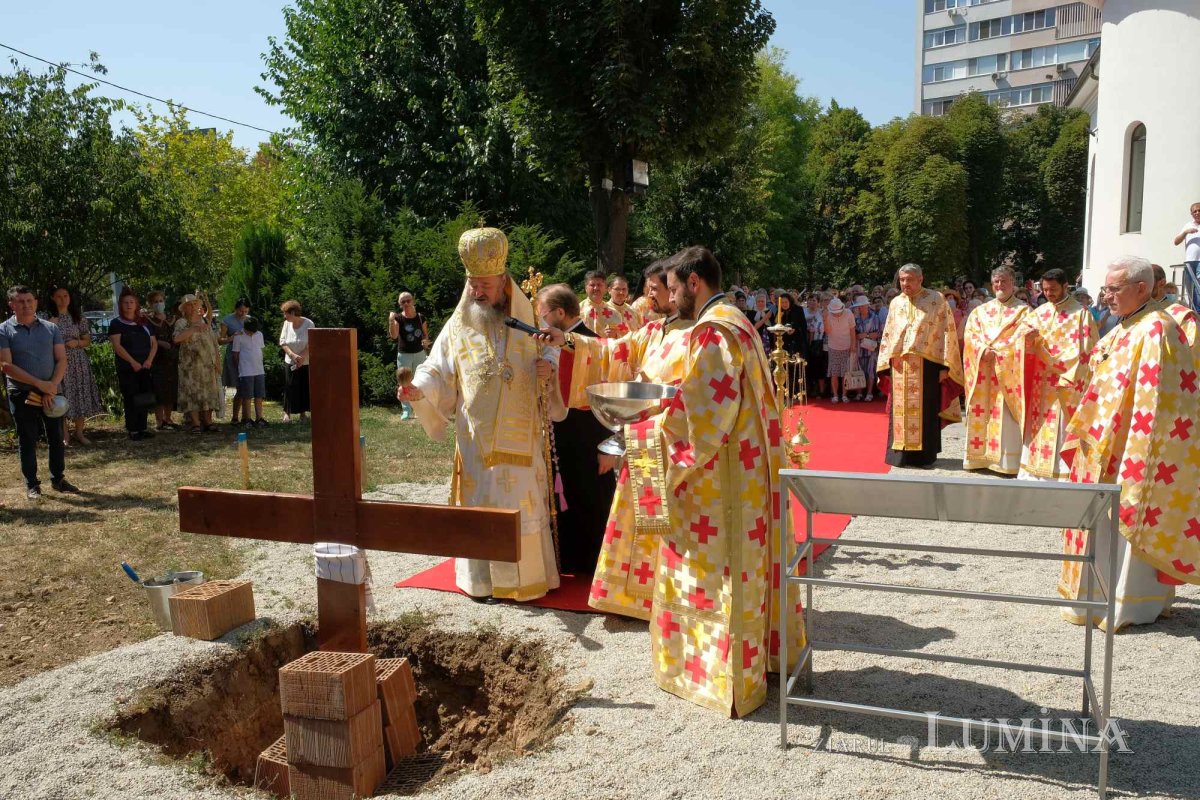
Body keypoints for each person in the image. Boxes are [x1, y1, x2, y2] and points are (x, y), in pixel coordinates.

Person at [541, 247, 805, 716]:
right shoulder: (734, 323)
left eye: (675, 286)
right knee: (735, 570)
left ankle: (717, 673)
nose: (668, 295)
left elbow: (703, 413)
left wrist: (640, 429)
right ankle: (747, 660)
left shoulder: (714, 330)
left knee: (711, 572)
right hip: (737, 469)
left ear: (694, 283)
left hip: (716, 477)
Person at [397, 226, 563, 602]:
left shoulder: (529, 323)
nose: (477, 292)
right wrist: (418, 390)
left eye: (485, 285)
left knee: (519, 503)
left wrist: (548, 370)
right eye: (472, 285)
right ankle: (482, 582)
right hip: (475, 439)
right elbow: (435, 368)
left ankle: (526, 579)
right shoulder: (458, 327)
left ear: (504, 283)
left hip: (521, 440)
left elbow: (552, 354)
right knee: (483, 501)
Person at [1059, 256, 1200, 631]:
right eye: (1105, 288)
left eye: (1113, 289)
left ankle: (1127, 604)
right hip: (1100, 442)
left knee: (1126, 523)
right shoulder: (1127, 326)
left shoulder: (1157, 329)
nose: (1106, 296)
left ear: (1141, 288)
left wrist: (1128, 445)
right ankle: (1093, 598)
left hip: (1131, 448)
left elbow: (1157, 401)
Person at [550, 258, 693, 619]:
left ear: (676, 289)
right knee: (643, 519)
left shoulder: (698, 334)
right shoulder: (654, 330)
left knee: (674, 521)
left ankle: (674, 593)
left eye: (657, 290)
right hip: (644, 437)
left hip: (676, 442)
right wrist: (566, 339)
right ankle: (640, 597)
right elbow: (610, 350)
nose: (649, 297)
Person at [535, 283, 616, 577]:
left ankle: (596, 566)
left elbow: (609, 400)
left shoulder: (592, 343)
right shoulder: (552, 344)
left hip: (591, 440)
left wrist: (609, 445)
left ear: (559, 312)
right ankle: (569, 559)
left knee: (592, 501)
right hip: (564, 436)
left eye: (542, 313)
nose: (540, 320)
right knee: (566, 496)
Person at [876, 264, 964, 468]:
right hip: (900, 366)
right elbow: (888, 335)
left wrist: (945, 368)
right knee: (900, 411)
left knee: (926, 410)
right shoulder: (896, 303)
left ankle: (925, 457)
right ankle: (900, 455)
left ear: (920, 279)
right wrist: (885, 363)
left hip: (928, 365)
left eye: (910, 279)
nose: (905, 283)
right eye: (902, 279)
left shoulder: (936, 300)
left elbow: (946, 334)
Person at [1015, 269, 1098, 481]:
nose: (1048, 293)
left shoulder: (1081, 314)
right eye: (1045, 289)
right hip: (1039, 383)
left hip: (1064, 385)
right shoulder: (1039, 313)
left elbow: (1084, 352)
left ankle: (1061, 474)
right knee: (1038, 426)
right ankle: (1033, 469)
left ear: (1065, 286)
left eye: (1053, 289)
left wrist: (1043, 349)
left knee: (1061, 428)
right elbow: (1019, 342)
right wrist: (1027, 339)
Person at [0, 286, 77, 498]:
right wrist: (39, 384)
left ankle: (58, 479)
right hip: (22, 393)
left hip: (51, 392)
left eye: (29, 300)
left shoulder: (50, 329)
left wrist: (51, 385)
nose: (26, 304)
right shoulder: (3, 330)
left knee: (56, 436)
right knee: (27, 439)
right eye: (21, 301)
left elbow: (62, 359)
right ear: (12, 305)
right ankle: (32, 485)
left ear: (35, 302)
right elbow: (6, 365)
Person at [961, 267, 1031, 475]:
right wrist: (982, 350)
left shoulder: (1024, 311)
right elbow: (970, 336)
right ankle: (979, 458)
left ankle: (1006, 462)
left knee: (1007, 417)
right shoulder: (980, 311)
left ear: (1012, 282)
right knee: (981, 412)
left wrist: (1000, 352)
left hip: (1008, 375)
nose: (1000, 286)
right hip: (983, 372)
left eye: (1004, 281)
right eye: (996, 282)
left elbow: (1025, 338)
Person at [47, 286, 102, 445]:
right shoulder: (47, 319)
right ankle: (65, 435)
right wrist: (50, 325)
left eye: (65, 296)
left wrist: (76, 342)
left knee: (80, 394)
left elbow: (87, 341)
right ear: (52, 298)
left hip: (78, 362)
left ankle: (79, 432)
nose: (63, 299)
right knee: (61, 395)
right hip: (57, 362)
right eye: (59, 296)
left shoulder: (78, 318)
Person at [109, 288, 158, 441]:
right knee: (130, 397)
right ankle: (133, 429)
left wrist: (149, 360)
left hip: (145, 366)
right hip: (127, 368)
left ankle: (142, 428)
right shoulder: (116, 323)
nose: (129, 305)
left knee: (144, 397)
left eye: (132, 302)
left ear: (136, 304)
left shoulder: (144, 323)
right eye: (125, 302)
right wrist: (133, 362)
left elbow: (154, 343)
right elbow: (117, 346)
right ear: (121, 305)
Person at [174, 294, 222, 434]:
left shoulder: (204, 321)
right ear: (184, 308)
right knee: (192, 394)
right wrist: (193, 329)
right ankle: (195, 423)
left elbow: (213, 342)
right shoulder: (182, 323)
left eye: (195, 303)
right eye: (189, 304)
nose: (193, 306)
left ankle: (208, 422)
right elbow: (176, 339)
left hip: (207, 364)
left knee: (208, 393)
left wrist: (217, 361)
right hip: (190, 366)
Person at [389, 292, 431, 421]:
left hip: (419, 353)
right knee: (404, 382)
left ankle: (419, 409)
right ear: (400, 304)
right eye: (403, 302)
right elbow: (394, 336)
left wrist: (426, 341)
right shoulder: (398, 318)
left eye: (408, 300)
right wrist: (391, 321)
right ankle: (406, 410)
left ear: (413, 301)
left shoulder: (420, 317)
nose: (406, 303)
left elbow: (425, 335)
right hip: (404, 354)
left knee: (420, 381)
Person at [143, 291, 180, 431]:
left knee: (171, 390)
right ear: (151, 304)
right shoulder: (148, 320)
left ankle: (168, 418)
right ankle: (159, 421)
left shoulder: (172, 318)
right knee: (159, 390)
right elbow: (147, 338)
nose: (159, 303)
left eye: (161, 300)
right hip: (157, 359)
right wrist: (160, 343)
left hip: (172, 358)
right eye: (155, 301)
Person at [279, 300, 314, 423]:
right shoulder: (286, 324)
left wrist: (302, 357)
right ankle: (287, 413)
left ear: (293, 312)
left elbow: (311, 344)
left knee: (303, 387)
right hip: (291, 360)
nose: (284, 316)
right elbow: (283, 342)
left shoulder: (309, 324)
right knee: (289, 386)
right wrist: (293, 355)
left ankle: (303, 414)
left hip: (305, 361)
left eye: (286, 313)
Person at [219, 299, 251, 425]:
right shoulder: (227, 320)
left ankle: (245, 416)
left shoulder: (250, 320)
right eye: (240, 310)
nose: (242, 313)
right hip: (233, 356)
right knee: (238, 385)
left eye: (245, 311)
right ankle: (235, 417)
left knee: (245, 386)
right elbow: (220, 340)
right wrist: (232, 338)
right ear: (235, 309)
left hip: (247, 356)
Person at [1150, 264, 1199, 347]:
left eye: (1147, 282)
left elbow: (1192, 354)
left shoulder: (1185, 317)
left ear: (1161, 284)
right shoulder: (1130, 313)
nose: (1139, 287)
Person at [232, 317, 268, 428]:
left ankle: (259, 418)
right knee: (247, 396)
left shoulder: (259, 334)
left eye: (254, 331)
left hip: (259, 370)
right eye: (249, 331)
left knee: (259, 395)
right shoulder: (238, 336)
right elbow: (235, 354)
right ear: (245, 328)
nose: (252, 333)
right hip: (246, 371)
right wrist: (240, 367)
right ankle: (247, 419)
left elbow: (260, 349)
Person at [824, 297, 857, 403]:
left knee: (845, 373)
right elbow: (827, 332)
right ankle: (835, 395)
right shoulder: (828, 315)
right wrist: (825, 320)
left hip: (847, 346)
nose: (836, 314)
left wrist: (853, 345)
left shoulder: (848, 313)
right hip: (833, 347)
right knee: (834, 373)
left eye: (838, 311)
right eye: (834, 312)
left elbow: (852, 330)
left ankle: (844, 395)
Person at [851, 296, 880, 401]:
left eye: (861, 306)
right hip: (859, 348)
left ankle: (869, 393)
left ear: (866, 306)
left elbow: (877, 334)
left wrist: (865, 335)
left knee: (871, 370)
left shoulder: (874, 317)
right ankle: (859, 393)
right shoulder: (855, 319)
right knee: (859, 370)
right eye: (858, 307)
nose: (859, 308)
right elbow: (854, 334)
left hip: (871, 347)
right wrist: (861, 336)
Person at [579, 270, 621, 336]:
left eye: (599, 285)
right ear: (586, 288)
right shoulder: (577, 311)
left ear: (605, 288)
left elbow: (623, 338)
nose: (596, 288)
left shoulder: (614, 313)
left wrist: (615, 335)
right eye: (592, 285)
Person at [803, 294, 827, 398]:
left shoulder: (821, 313)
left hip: (818, 342)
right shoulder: (803, 312)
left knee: (819, 367)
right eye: (810, 300)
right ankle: (808, 390)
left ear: (818, 302)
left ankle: (821, 390)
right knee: (807, 367)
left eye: (814, 300)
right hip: (806, 342)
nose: (812, 302)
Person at [1172, 201, 1200, 276]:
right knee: (1189, 285)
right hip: (1189, 261)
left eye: (1199, 210)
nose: (1197, 213)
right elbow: (1176, 242)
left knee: (1198, 286)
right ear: (1192, 214)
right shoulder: (1188, 225)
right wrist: (1185, 232)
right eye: (1195, 211)